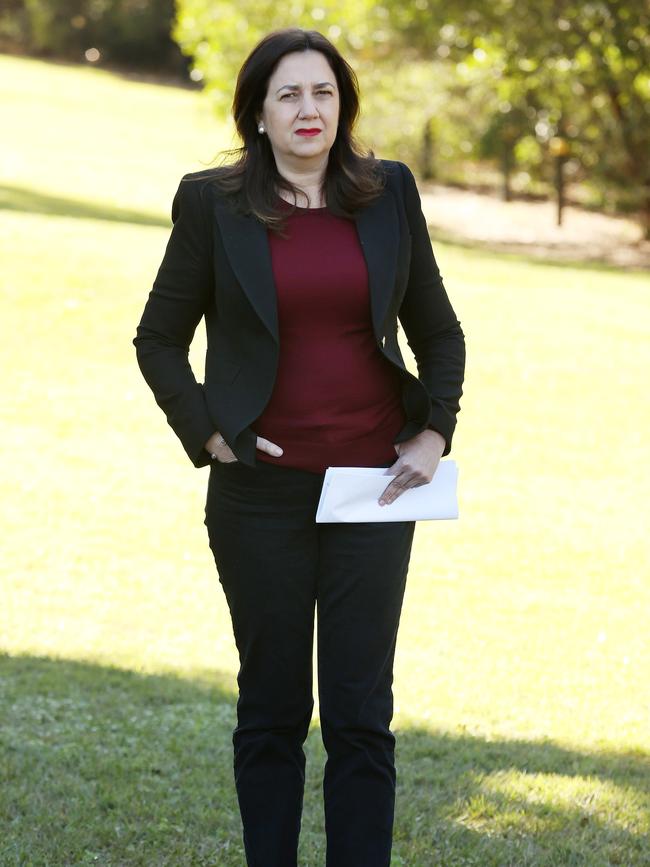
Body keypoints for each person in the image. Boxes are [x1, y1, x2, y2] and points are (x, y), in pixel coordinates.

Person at [133, 26, 465, 867]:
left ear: (343, 104)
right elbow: (158, 337)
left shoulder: (387, 192)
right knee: (274, 709)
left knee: (360, 712)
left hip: (374, 488)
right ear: (258, 112)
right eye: (288, 94)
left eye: (322, 92)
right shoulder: (212, 203)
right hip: (259, 498)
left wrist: (434, 431)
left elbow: (438, 329)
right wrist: (211, 434)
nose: (308, 109)